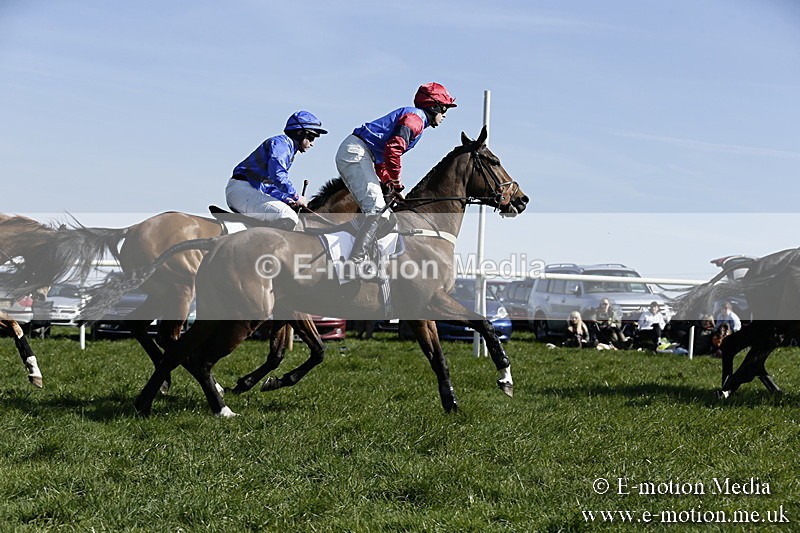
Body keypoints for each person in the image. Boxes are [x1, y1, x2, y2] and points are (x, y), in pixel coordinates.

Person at [335, 82, 457, 270]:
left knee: (384, 216)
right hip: (357, 152)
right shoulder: (415, 120)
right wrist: (396, 182)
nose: (445, 115)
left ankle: (361, 257)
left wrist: (388, 183)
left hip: (363, 154)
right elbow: (393, 150)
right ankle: (354, 264)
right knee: (376, 211)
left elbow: (383, 159)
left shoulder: (417, 120)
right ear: (434, 107)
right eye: (444, 109)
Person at [226, 111, 328, 230]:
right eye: (311, 137)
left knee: (286, 210)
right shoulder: (282, 144)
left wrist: (287, 199)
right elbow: (278, 176)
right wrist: (296, 196)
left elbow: (269, 186)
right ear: (299, 133)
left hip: (247, 190)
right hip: (243, 190)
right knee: (288, 216)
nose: (312, 143)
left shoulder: (287, 149)